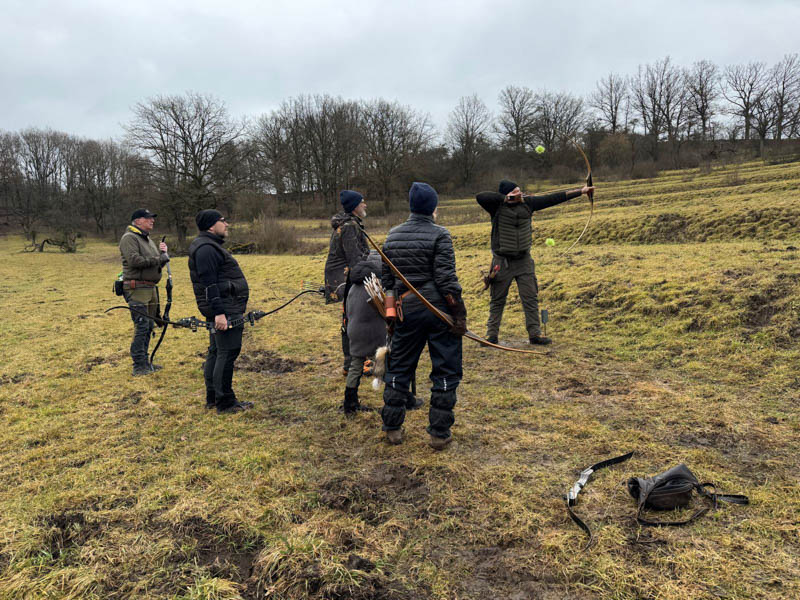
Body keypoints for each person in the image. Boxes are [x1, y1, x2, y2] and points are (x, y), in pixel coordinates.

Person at [380, 183, 467, 450]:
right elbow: (446, 279)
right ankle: (439, 434)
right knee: (445, 370)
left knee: (399, 368)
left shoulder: (392, 235)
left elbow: (387, 282)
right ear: (433, 208)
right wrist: (459, 313)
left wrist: (391, 315)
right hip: (438, 311)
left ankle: (392, 429)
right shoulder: (441, 234)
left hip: (406, 312)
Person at [476, 179, 594, 345]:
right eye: (514, 192)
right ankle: (491, 336)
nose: (519, 193)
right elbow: (480, 196)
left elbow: (553, 198)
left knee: (530, 298)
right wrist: (506, 199)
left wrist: (581, 191)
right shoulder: (496, 207)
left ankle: (535, 334)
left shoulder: (528, 203)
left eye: (519, 190)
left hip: (524, 261)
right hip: (502, 262)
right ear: (506, 194)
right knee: (497, 300)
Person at [188, 210, 253, 414]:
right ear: (211, 225)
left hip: (225, 306)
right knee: (226, 352)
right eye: (222, 221)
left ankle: (214, 398)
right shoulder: (206, 249)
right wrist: (219, 313)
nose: (226, 224)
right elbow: (209, 284)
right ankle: (225, 402)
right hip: (225, 308)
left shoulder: (208, 245)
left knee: (217, 351)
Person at [323, 190, 369, 376]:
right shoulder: (349, 227)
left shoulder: (350, 224)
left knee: (351, 319)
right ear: (355, 206)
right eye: (362, 202)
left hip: (346, 278)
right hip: (345, 280)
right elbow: (355, 260)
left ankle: (354, 361)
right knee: (353, 320)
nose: (365, 205)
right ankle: (352, 363)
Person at [119, 208, 169, 376]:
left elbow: (154, 263)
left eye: (152, 218)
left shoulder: (147, 239)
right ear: (138, 221)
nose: (152, 220)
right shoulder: (129, 238)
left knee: (148, 326)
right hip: (137, 288)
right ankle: (139, 365)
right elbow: (135, 261)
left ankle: (145, 362)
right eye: (148, 218)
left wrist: (163, 256)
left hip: (149, 288)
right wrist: (159, 258)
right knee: (142, 325)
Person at [342, 250, 386, 415]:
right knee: (385, 360)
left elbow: (347, 310)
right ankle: (394, 398)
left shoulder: (353, 286)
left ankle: (350, 402)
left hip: (354, 331)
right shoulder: (379, 285)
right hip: (375, 331)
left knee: (356, 364)